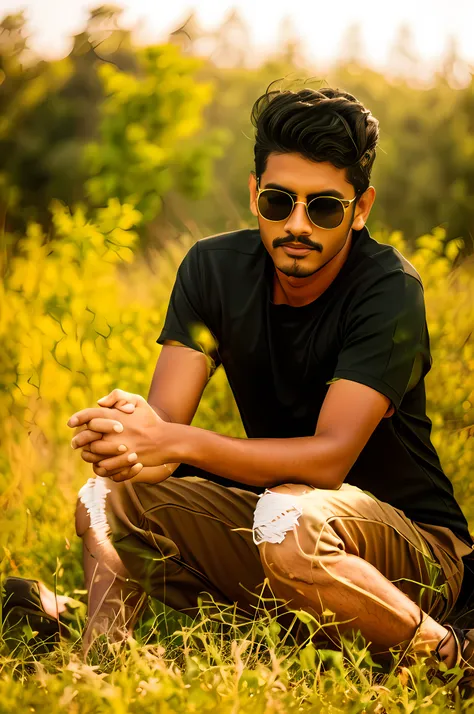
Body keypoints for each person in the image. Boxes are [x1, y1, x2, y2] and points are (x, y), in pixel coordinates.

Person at [23, 84, 474, 679]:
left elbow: (329, 459)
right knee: (107, 500)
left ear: (360, 210)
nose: (297, 225)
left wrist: (175, 442)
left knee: (290, 519)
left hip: (418, 550)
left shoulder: (388, 289)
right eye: (279, 201)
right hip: (281, 530)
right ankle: (101, 661)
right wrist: (131, 437)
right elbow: (162, 443)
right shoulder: (213, 270)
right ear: (254, 193)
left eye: (324, 208)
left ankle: (450, 657)